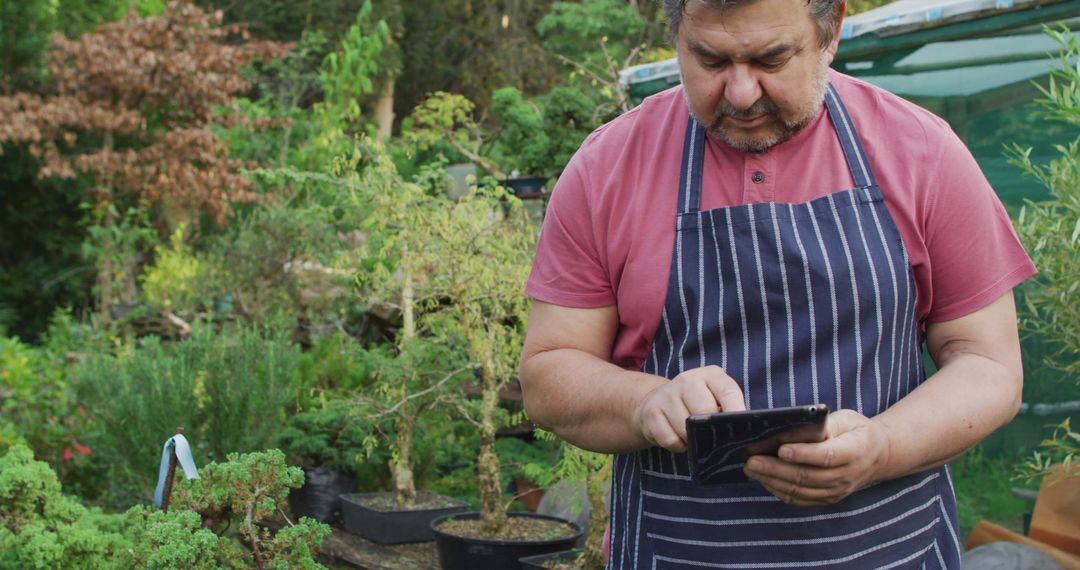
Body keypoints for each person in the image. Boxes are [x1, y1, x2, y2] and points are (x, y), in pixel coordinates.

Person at [518, 0, 1037, 568]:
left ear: (831, 30)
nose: (740, 93)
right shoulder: (609, 167)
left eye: (772, 58)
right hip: (678, 552)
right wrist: (645, 403)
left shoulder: (921, 152)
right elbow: (549, 372)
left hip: (889, 551)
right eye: (710, 59)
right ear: (677, 36)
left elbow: (989, 365)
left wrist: (882, 447)